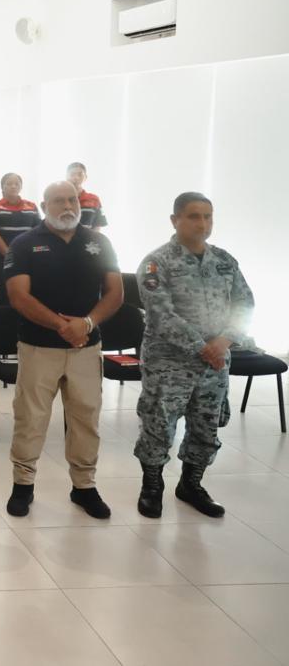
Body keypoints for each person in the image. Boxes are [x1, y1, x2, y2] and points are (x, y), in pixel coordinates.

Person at [3, 181, 124, 519]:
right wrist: (63, 326)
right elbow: (18, 296)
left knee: (86, 418)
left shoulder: (99, 242)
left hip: (86, 347)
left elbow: (115, 293)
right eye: (59, 201)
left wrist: (86, 324)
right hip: (38, 347)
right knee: (31, 418)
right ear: (44, 207)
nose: (68, 206)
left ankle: (84, 486)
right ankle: (23, 485)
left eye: (73, 200)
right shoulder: (24, 243)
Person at [134, 192, 255, 520]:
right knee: (159, 424)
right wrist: (204, 347)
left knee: (206, 425)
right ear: (175, 220)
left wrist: (224, 341)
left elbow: (245, 303)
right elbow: (161, 314)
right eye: (193, 216)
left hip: (215, 362)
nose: (202, 224)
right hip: (169, 362)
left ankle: (191, 484)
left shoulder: (224, 261)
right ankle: (151, 486)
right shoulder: (157, 262)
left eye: (207, 216)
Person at [0, 173, 41, 292]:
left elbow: (38, 233)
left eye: (17, 184)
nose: (13, 186)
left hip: (27, 257)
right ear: (2, 187)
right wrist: (10, 256)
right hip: (0, 259)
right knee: (1, 292)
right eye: (9, 184)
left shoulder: (31, 206)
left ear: (21, 187)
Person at [66, 162, 108, 231]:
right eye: (72, 174)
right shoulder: (58, 198)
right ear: (66, 177)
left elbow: (97, 225)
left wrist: (94, 238)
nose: (76, 177)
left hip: (87, 237)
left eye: (80, 174)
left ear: (85, 177)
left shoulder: (94, 199)